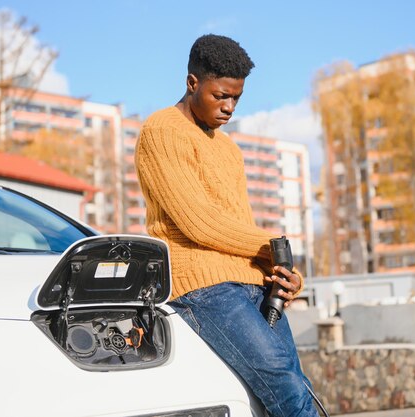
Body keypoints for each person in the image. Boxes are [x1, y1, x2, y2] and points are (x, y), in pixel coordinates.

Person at [135, 34, 319, 417]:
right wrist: (272, 245)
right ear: (192, 83)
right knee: (287, 391)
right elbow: (199, 223)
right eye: (221, 95)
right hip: (203, 286)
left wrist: (281, 270)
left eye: (236, 97)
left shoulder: (229, 148)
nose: (229, 107)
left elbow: (238, 227)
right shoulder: (162, 130)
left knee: (297, 386)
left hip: (253, 284)